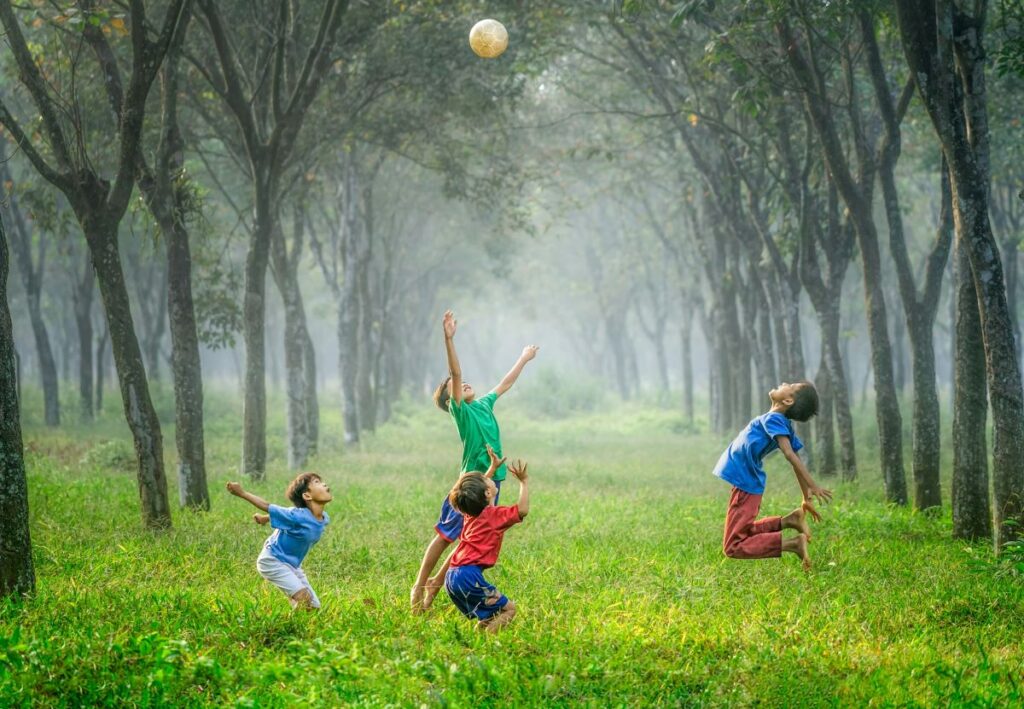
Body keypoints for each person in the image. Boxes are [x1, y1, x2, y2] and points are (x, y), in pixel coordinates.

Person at [410, 309, 538, 613]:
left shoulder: (482, 404)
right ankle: (419, 586)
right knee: (445, 536)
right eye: (455, 386)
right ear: (449, 400)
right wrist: (448, 339)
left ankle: (434, 590)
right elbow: (455, 373)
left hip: (492, 481)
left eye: (464, 382)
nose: (463, 383)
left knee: (470, 537)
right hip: (470, 483)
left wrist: (523, 358)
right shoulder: (461, 412)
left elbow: (504, 384)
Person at [713, 381, 832, 570]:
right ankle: (789, 521)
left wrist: (812, 485)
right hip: (746, 482)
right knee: (743, 532)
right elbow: (795, 458)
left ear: (787, 400)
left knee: (733, 546)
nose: (784, 383)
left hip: (746, 484)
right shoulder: (780, 422)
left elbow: (790, 454)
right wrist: (806, 496)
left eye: (790, 385)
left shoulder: (775, 419)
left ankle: (792, 544)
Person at [445, 457, 530, 632]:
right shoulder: (494, 516)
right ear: (487, 493)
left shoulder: (471, 513)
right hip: (468, 577)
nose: (489, 477)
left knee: (492, 614)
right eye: (486, 479)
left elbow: (474, 492)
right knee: (509, 609)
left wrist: (492, 468)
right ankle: (488, 644)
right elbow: (522, 510)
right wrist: (524, 482)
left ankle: (478, 638)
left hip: (452, 576)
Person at [226, 473, 332, 609]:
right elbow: (267, 506)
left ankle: (295, 620)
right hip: (272, 560)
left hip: (292, 565)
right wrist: (242, 493)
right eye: (317, 482)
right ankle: (286, 625)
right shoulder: (297, 515)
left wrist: (265, 518)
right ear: (307, 496)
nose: (323, 484)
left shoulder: (324, 518)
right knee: (304, 599)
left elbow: (285, 516)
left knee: (313, 607)